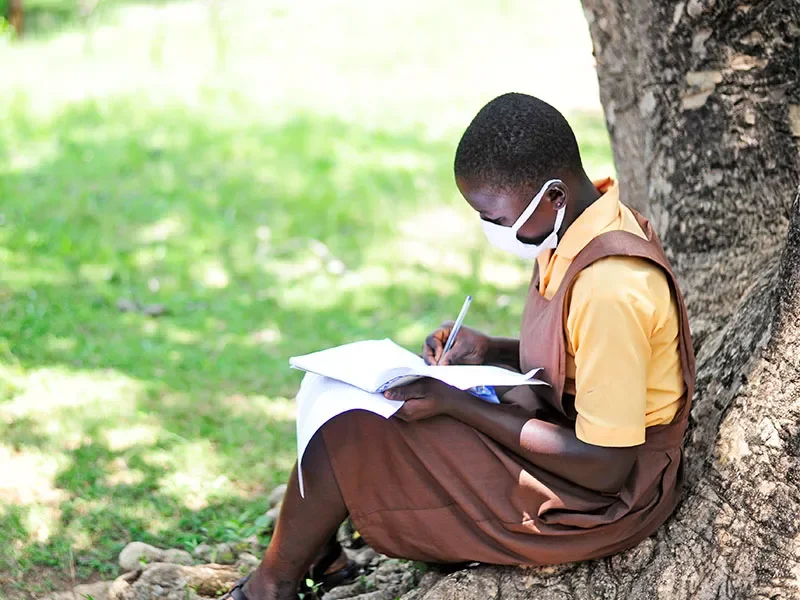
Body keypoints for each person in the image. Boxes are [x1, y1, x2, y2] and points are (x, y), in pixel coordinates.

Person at [223, 92, 695, 600]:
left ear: (554, 196)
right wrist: (490, 349)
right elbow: (582, 356)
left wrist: (458, 404)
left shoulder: (610, 287)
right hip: (570, 436)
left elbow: (606, 467)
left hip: (603, 501)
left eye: (497, 219)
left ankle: (270, 587)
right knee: (354, 399)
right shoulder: (575, 224)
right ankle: (316, 554)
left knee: (352, 428)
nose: (492, 230)